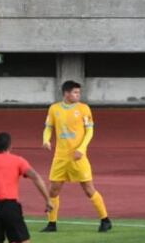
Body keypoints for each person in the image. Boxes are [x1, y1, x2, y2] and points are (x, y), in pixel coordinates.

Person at [40, 80, 112, 233]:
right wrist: (46, 140)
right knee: (53, 190)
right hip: (60, 157)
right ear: (66, 93)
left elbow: (90, 132)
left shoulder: (84, 109)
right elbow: (48, 127)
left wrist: (81, 148)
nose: (78, 95)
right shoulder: (54, 109)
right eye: (75, 92)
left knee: (88, 188)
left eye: (79, 92)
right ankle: (52, 223)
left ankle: (105, 219)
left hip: (78, 156)